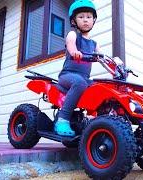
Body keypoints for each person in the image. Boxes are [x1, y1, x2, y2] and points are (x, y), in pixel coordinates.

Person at [54, 0, 100, 137]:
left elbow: (103, 58)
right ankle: (63, 119)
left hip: (84, 78)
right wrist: (75, 52)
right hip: (67, 76)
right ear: (74, 21)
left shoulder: (94, 44)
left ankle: (94, 120)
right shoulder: (73, 35)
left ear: (93, 20)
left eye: (88, 17)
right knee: (79, 83)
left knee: (100, 87)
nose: (85, 20)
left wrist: (115, 65)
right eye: (81, 17)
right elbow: (70, 45)